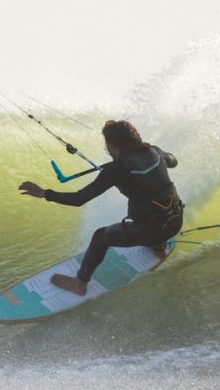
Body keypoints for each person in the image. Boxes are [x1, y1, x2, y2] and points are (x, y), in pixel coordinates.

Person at [18, 120, 184, 296]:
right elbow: (173, 161)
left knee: (100, 236)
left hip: (151, 232)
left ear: (112, 145)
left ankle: (79, 283)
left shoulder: (116, 169)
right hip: (175, 222)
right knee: (152, 210)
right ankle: (158, 248)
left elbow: (79, 199)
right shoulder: (154, 151)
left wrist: (45, 193)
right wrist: (160, 156)